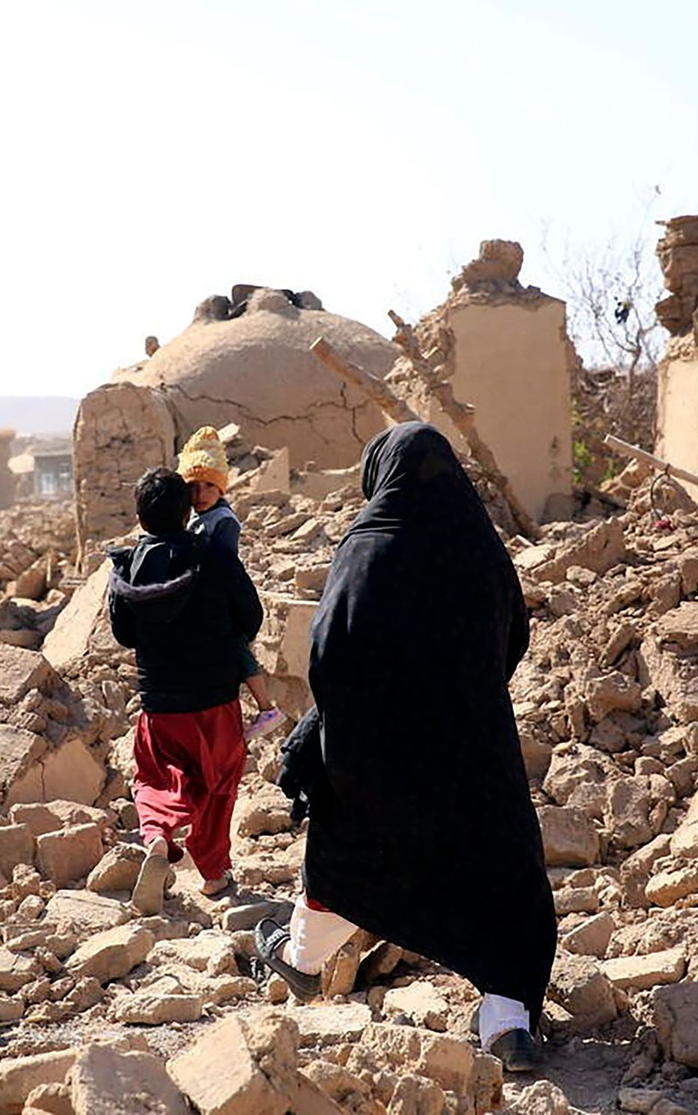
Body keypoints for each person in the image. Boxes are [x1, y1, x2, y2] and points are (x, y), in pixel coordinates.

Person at [253, 423, 556, 1073]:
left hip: (377, 750)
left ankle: (303, 959)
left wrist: (335, 730)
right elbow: (515, 633)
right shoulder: (479, 546)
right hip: (474, 747)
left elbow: (329, 653)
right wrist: (465, 691)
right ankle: (508, 1022)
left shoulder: (366, 545)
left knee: (348, 847)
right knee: (502, 870)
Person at [108, 466, 264, 914]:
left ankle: (156, 835)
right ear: (186, 512)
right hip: (216, 698)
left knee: (157, 777)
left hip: (160, 702)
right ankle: (214, 874)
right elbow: (250, 616)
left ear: (141, 519)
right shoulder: (213, 556)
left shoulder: (127, 568)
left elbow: (125, 634)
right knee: (217, 784)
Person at [177, 425, 284, 740]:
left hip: (223, 601)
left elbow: (221, 566)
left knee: (237, 651)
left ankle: (267, 707)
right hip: (211, 600)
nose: (200, 494)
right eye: (193, 486)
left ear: (222, 489)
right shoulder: (199, 516)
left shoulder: (224, 522)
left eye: (209, 486)